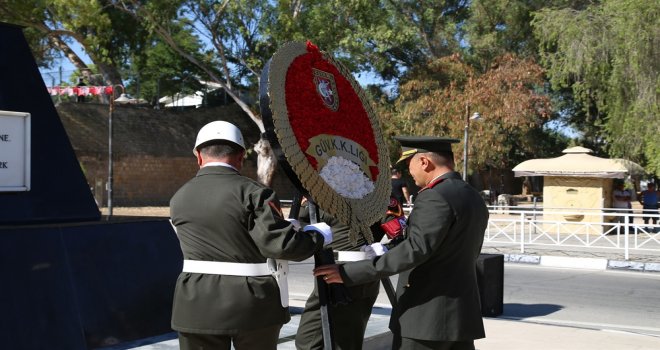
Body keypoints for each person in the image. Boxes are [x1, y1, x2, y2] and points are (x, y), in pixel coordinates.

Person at [169, 120, 333, 350]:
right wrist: (317, 236)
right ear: (240, 156)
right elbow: (281, 246)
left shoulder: (179, 197)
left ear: (198, 155)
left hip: (195, 302)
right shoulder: (255, 193)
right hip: (251, 303)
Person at [315, 136, 489, 350]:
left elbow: (414, 250)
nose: (409, 171)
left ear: (424, 162)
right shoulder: (472, 196)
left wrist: (348, 273)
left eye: (409, 163)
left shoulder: (434, 196)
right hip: (460, 315)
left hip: (426, 316)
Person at [295, 201, 381, 350]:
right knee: (308, 341)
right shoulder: (318, 192)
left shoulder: (372, 192)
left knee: (343, 343)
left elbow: (400, 233)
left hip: (356, 277)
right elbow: (302, 222)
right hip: (327, 273)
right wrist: (300, 227)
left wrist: (384, 251)